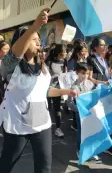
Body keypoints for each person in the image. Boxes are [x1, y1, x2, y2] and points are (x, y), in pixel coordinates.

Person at [0, 9, 77, 173]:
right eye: (33, 39)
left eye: (38, 39)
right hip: (17, 125)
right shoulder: (10, 66)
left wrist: (67, 91)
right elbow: (15, 53)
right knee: (7, 163)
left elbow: (44, 91)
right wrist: (35, 26)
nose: (38, 42)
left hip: (42, 124)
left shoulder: (42, 65)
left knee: (44, 166)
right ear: (22, 42)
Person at [87, 37, 112, 156]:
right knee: (100, 120)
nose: (104, 47)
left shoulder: (103, 60)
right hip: (96, 93)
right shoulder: (90, 60)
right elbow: (89, 77)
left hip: (106, 92)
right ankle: (104, 144)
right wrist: (103, 82)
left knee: (105, 119)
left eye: (105, 45)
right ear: (95, 47)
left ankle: (105, 143)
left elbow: (107, 73)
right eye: (102, 45)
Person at [67, 62, 102, 164]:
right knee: (82, 132)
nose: (85, 76)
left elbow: (94, 95)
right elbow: (69, 103)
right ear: (77, 73)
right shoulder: (74, 87)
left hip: (91, 113)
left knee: (91, 131)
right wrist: (80, 109)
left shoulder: (89, 83)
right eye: (82, 73)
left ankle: (91, 151)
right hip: (80, 114)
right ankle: (80, 150)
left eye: (86, 73)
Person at [46, 44, 68, 138]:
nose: (66, 53)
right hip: (47, 88)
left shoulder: (64, 60)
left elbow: (64, 73)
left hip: (58, 88)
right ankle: (45, 127)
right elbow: (44, 75)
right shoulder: (49, 61)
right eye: (64, 52)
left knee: (57, 109)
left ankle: (58, 128)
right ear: (59, 53)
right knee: (47, 108)